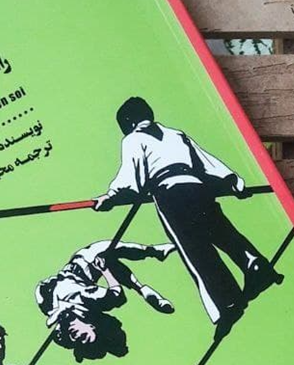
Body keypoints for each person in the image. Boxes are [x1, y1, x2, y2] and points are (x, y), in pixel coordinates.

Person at [93, 97, 283, 340]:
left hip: (169, 193)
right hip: (197, 186)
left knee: (196, 250)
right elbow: (206, 161)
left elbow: (130, 177)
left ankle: (228, 301)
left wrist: (110, 196)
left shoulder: (133, 139)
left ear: (128, 123)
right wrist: (233, 181)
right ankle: (254, 264)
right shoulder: (176, 134)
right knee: (221, 231)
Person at [36, 239, 176, 362]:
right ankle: (150, 260)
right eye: (83, 336)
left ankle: (143, 286)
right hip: (86, 262)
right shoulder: (87, 298)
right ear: (92, 325)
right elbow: (117, 295)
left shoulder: (59, 326)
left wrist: (48, 289)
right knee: (114, 251)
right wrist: (104, 271)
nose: (76, 337)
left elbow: (42, 294)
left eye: (77, 341)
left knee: (111, 260)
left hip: (65, 277)